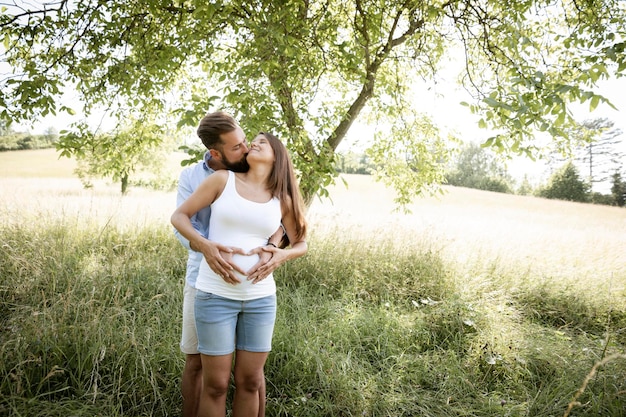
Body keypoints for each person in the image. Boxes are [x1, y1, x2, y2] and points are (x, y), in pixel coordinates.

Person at [171, 131, 308, 417]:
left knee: (249, 382)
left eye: (263, 142)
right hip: (215, 296)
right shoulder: (222, 181)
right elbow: (179, 216)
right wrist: (205, 245)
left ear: (276, 156)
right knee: (216, 385)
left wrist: (282, 255)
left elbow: (301, 244)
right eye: (253, 140)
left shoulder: (281, 198)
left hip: (260, 300)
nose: (254, 143)